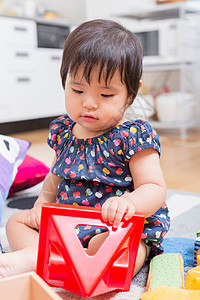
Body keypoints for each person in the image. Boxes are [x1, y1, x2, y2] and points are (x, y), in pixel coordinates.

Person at [0, 19, 170, 278]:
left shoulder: (134, 135)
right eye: (77, 89)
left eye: (106, 95)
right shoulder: (64, 131)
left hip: (113, 226)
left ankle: (88, 264)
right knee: (16, 222)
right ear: (64, 82)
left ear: (131, 94)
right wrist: (41, 204)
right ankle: (36, 255)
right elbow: (55, 176)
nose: (89, 103)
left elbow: (154, 187)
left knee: (119, 249)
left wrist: (128, 204)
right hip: (68, 223)